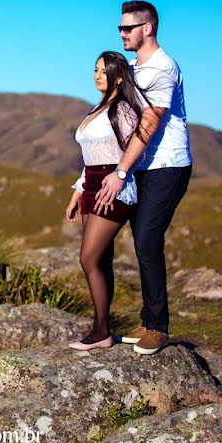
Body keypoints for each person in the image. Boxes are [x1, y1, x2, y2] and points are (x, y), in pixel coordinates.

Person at [95, 0, 193, 355]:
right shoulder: (135, 67)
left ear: (147, 28)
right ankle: (148, 319)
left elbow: (149, 123)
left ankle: (159, 328)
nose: (121, 33)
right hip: (143, 168)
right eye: (119, 28)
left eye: (127, 28)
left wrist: (120, 172)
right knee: (142, 241)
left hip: (167, 166)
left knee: (148, 240)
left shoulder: (163, 68)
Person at [65, 50, 148, 350]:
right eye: (96, 69)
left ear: (120, 76)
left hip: (112, 187)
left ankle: (101, 331)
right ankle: (103, 329)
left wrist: (120, 177)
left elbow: (133, 152)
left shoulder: (123, 110)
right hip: (90, 185)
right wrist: (77, 192)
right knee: (101, 259)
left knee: (88, 258)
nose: (97, 75)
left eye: (104, 70)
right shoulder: (96, 109)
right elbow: (89, 159)